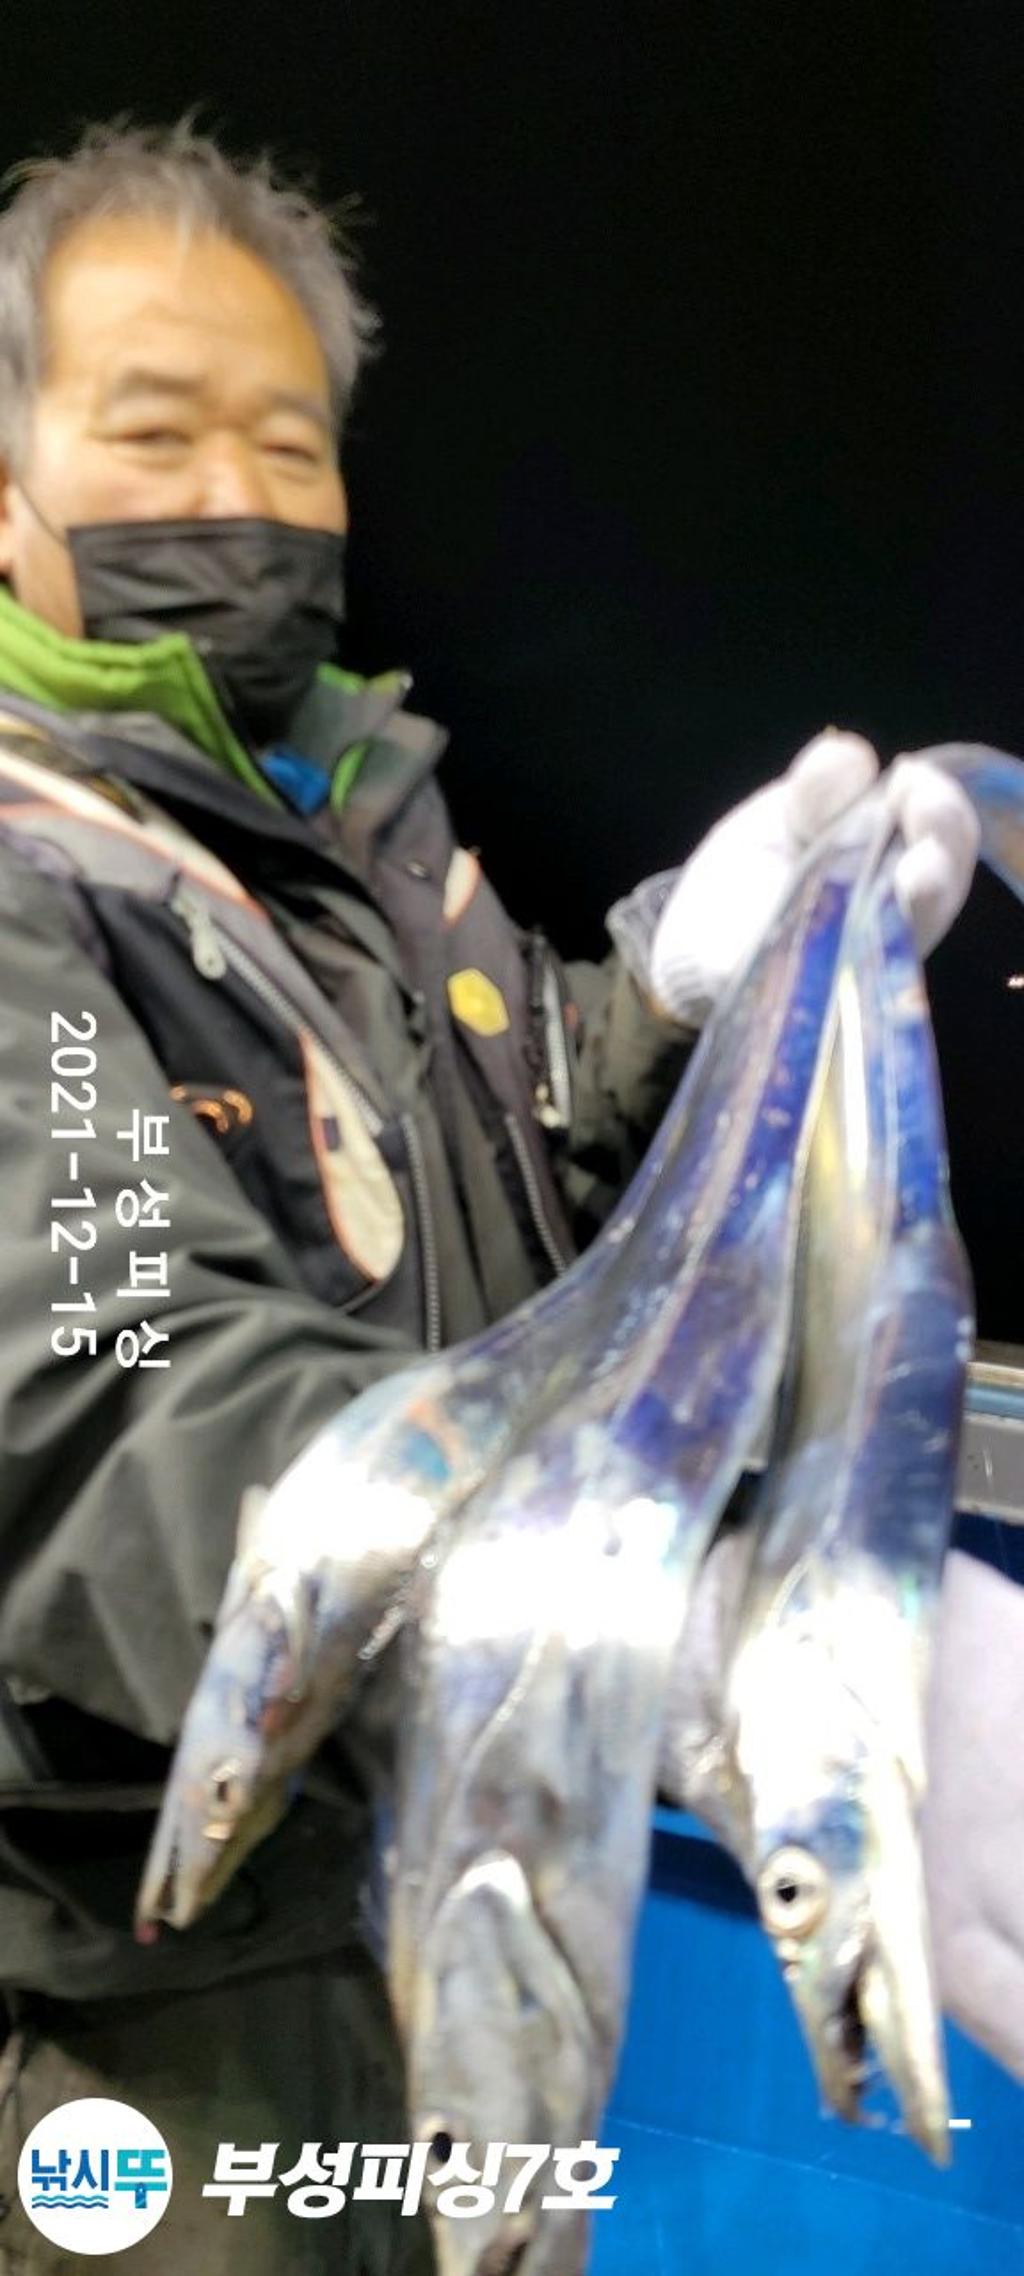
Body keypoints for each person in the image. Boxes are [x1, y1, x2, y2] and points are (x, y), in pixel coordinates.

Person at [0, 121, 980, 2273]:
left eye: (291, 441)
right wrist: (674, 1619)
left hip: (459, 1852)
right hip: (147, 2023)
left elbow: (511, 1158)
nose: (240, 496)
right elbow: (101, 1377)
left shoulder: (362, 835)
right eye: (152, 432)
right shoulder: (32, 887)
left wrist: (682, 992)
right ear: (4, 490)